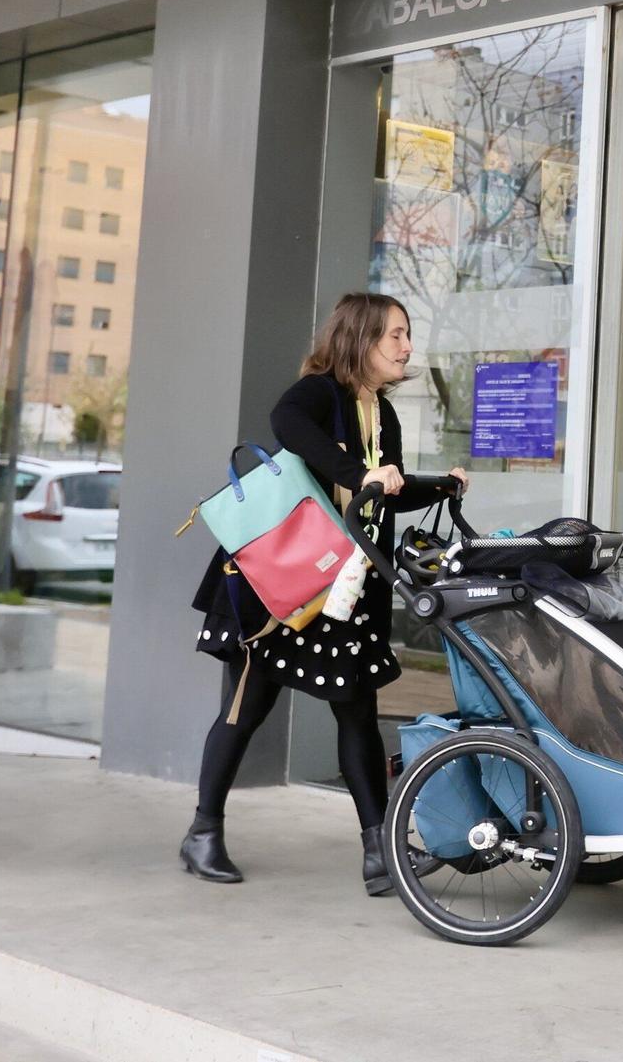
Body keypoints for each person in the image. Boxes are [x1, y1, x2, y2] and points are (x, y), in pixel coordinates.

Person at [180, 293, 466, 892]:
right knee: (247, 708)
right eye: (395, 335)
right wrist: (358, 473)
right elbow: (289, 425)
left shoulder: (379, 415)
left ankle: (379, 851)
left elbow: (378, 493)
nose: (406, 346)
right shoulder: (319, 392)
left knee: (357, 711)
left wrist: (437, 488)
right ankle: (203, 833)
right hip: (279, 584)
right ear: (359, 338)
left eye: (406, 335)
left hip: (343, 587)